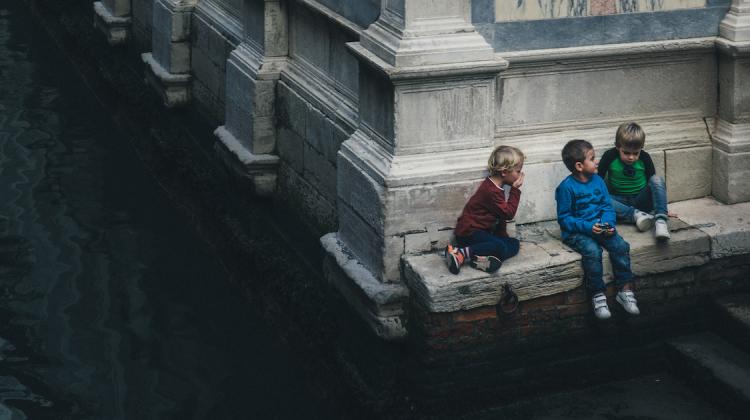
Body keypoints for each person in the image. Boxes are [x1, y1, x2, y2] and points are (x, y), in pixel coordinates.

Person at [555, 140, 639, 320]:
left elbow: (607, 207)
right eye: (592, 158)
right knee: (593, 251)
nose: (597, 161)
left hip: (600, 226)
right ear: (579, 165)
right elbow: (564, 219)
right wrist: (587, 227)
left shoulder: (599, 181)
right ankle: (597, 294)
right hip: (577, 232)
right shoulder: (566, 188)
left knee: (620, 246)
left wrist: (608, 224)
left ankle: (624, 289)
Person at [445, 145, 524, 275]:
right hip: (469, 233)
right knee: (500, 247)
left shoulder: (497, 187)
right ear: (504, 172)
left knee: (514, 244)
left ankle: (476, 259)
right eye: (518, 171)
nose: (520, 175)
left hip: (482, 233)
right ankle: (460, 253)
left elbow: (500, 216)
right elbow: (507, 213)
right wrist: (515, 191)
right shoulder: (491, 191)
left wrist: (502, 237)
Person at [598, 122, 671, 240]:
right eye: (626, 152)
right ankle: (636, 215)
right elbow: (598, 180)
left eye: (635, 153)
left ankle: (660, 221)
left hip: (641, 199)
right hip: (619, 201)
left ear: (641, 148)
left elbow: (653, 184)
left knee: (657, 179)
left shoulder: (645, 157)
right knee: (597, 195)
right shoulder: (609, 156)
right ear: (617, 146)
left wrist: (661, 209)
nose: (631, 157)